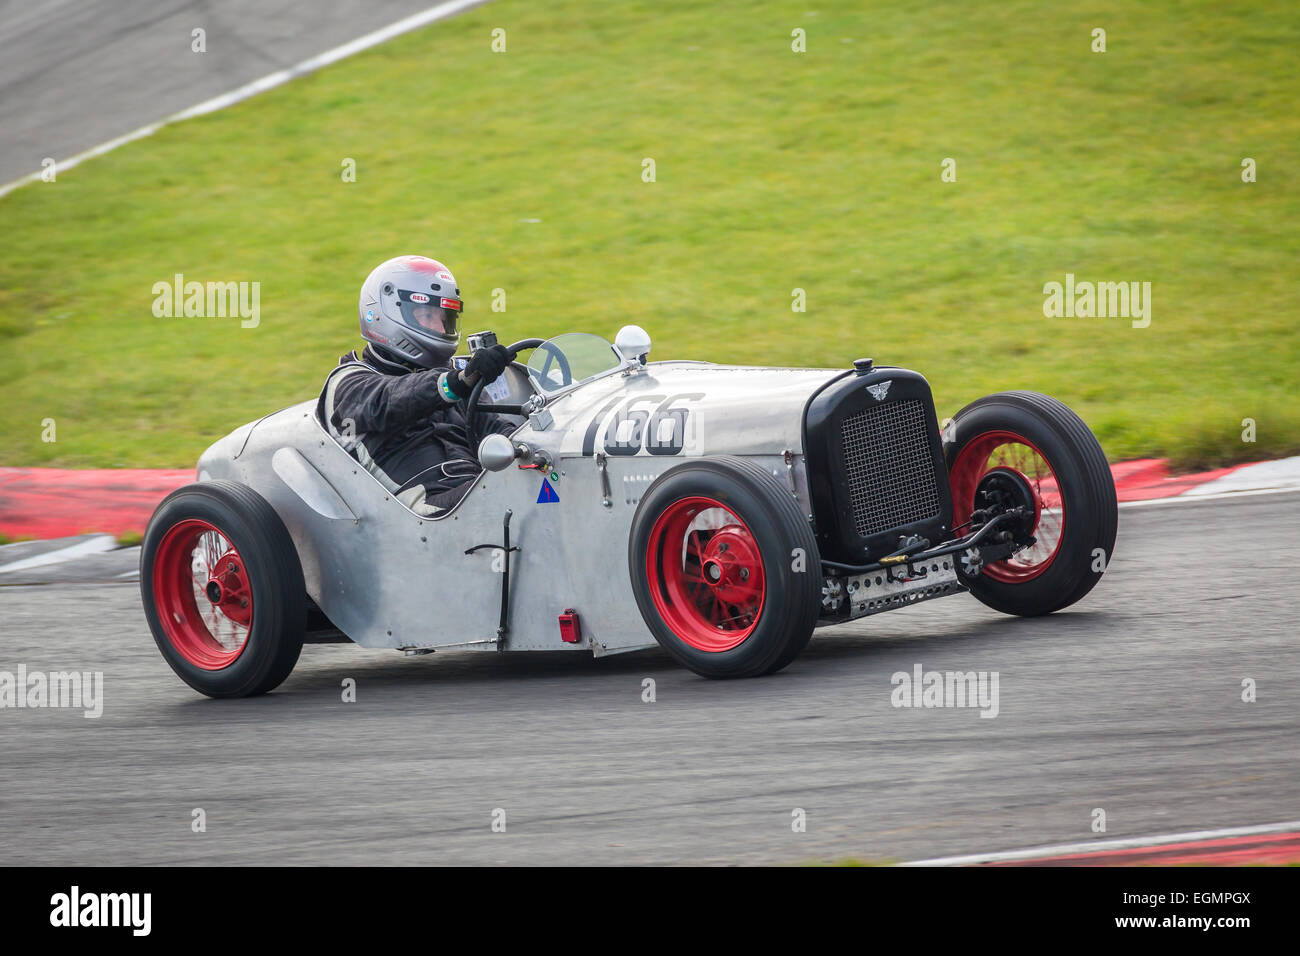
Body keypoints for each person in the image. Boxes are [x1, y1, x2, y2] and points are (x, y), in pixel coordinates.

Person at [318, 255, 517, 516]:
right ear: (383, 312)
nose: (439, 326)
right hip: (424, 511)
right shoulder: (348, 381)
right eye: (426, 315)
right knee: (514, 497)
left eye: (444, 317)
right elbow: (392, 400)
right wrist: (456, 382)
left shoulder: (453, 376)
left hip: (475, 490)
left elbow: (498, 431)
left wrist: (534, 444)